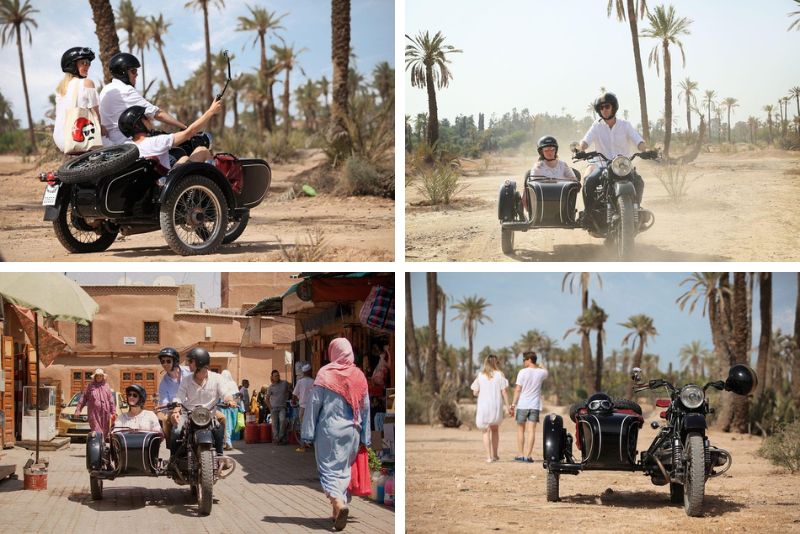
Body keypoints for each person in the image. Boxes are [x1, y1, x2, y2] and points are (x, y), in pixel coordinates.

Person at [301, 338, 370, 531]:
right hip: (353, 432)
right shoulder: (359, 375)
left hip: (329, 431)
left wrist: (307, 433)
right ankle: (336, 511)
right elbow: (365, 409)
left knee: (329, 470)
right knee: (344, 469)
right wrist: (366, 437)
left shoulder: (325, 374)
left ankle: (339, 503)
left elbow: (314, 404)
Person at [576, 92, 650, 226]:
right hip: (602, 165)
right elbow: (585, 141)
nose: (604, 110)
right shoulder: (596, 126)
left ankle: (636, 210)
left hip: (623, 166)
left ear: (613, 107)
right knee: (589, 182)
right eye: (601, 108)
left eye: (607, 106)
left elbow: (638, 141)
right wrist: (581, 150)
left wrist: (646, 150)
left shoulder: (625, 125)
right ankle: (588, 213)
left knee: (639, 182)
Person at [169, 348, 236, 473]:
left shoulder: (217, 378)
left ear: (199, 362)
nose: (188, 364)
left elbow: (225, 393)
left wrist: (229, 400)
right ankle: (174, 460)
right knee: (177, 430)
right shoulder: (187, 380)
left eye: (190, 362)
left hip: (208, 414)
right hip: (188, 413)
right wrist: (176, 409)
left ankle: (220, 457)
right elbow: (179, 396)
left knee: (218, 428)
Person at [99, 52, 186, 145]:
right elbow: (157, 114)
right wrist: (184, 127)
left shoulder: (106, 89)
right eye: (133, 71)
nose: (136, 75)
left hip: (111, 144)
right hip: (127, 143)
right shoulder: (125, 90)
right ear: (123, 73)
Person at [117, 98, 222, 175]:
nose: (149, 119)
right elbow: (189, 132)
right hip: (168, 185)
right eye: (145, 117)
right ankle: (213, 187)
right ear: (137, 125)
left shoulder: (128, 146)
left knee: (184, 158)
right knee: (202, 150)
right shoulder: (154, 142)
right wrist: (211, 111)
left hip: (149, 187)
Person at [53, 47, 104, 153]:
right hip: (76, 138)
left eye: (89, 63)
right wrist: (102, 128)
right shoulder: (87, 83)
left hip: (60, 139)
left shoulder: (61, 89)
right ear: (72, 65)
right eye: (84, 62)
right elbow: (96, 114)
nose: (87, 66)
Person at [509, 351, 548, 463]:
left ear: (529, 360)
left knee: (521, 429)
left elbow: (518, 389)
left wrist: (513, 404)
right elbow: (546, 372)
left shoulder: (522, 372)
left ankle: (521, 454)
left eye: (524, 360)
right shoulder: (541, 373)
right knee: (532, 430)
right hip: (535, 405)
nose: (523, 362)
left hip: (523, 404)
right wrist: (542, 366)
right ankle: (528, 456)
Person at [470, 355, 510, 463]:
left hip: (483, 406)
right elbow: (504, 392)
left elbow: (475, 392)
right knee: (495, 429)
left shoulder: (480, 375)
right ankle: (495, 455)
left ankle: (489, 457)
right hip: (496, 405)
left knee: (485, 431)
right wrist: (508, 406)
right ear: (495, 363)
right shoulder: (500, 375)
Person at [156, 347, 191, 432]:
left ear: (175, 361)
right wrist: (173, 407)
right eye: (162, 361)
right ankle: (171, 444)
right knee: (176, 431)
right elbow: (164, 403)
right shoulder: (164, 383)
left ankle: (224, 443)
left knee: (221, 419)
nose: (165, 364)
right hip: (177, 410)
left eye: (168, 361)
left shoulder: (190, 372)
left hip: (195, 407)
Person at [74, 368, 115, 435]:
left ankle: (102, 444)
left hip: (105, 413)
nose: (99, 377)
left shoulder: (106, 386)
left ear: (103, 377)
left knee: (105, 431)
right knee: (97, 431)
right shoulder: (90, 386)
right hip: (94, 413)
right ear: (95, 377)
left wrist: (113, 412)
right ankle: (98, 443)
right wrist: (78, 409)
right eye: (97, 376)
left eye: (100, 376)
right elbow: (83, 398)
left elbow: (111, 400)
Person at [292, 363, 315, 452]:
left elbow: (294, 394)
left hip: (303, 407)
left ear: (304, 372)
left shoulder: (300, 382)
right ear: (309, 372)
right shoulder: (313, 381)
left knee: (302, 425)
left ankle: (302, 446)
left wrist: (293, 401)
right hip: (312, 407)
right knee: (312, 425)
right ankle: (309, 442)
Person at [266, 369, 290, 445]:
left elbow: (292, 389)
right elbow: (266, 399)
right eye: (275, 376)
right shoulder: (270, 387)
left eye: (278, 375)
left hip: (282, 407)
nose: (277, 377)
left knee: (283, 421)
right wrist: (270, 408)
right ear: (272, 377)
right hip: (274, 408)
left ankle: (280, 437)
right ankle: (276, 439)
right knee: (274, 424)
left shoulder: (285, 383)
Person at [220, 370, 239, 450]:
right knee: (231, 425)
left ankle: (228, 443)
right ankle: (228, 442)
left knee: (226, 425)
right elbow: (237, 396)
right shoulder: (233, 384)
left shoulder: (222, 384)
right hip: (233, 408)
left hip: (224, 407)